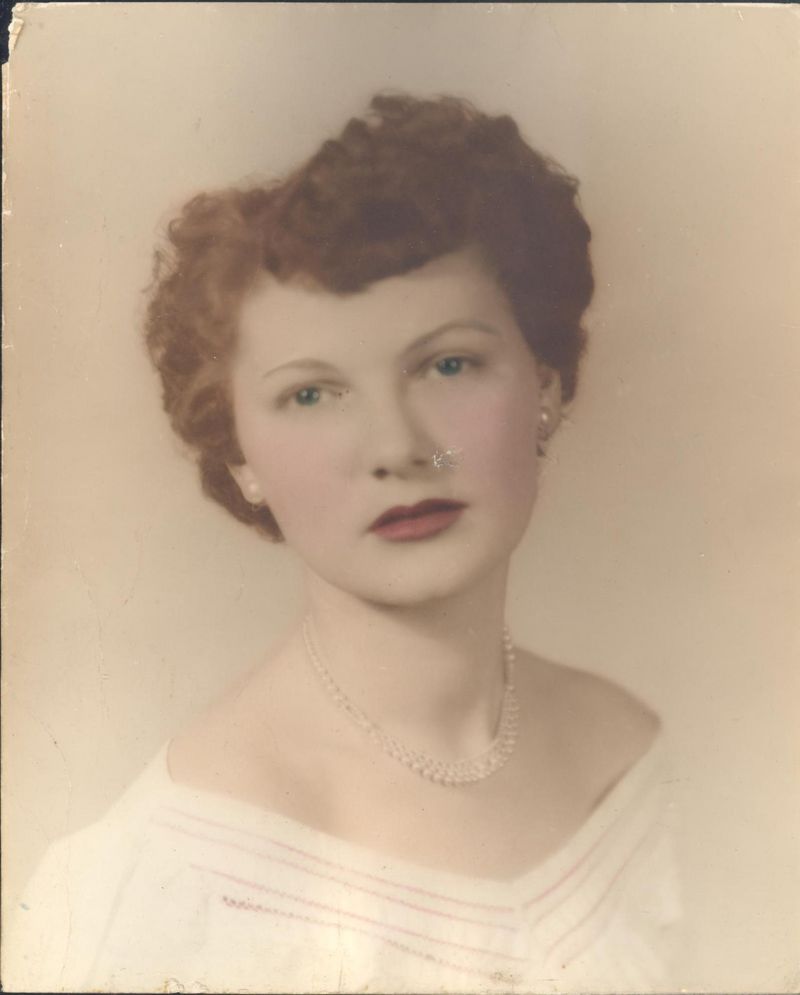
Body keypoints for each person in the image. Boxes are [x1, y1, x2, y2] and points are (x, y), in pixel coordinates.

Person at [8, 93, 681, 993]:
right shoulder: (161, 893)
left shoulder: (636, 761)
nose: (397, 447)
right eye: (312, 394)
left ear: (546, 386)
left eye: (448, 363)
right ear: (239, 455)